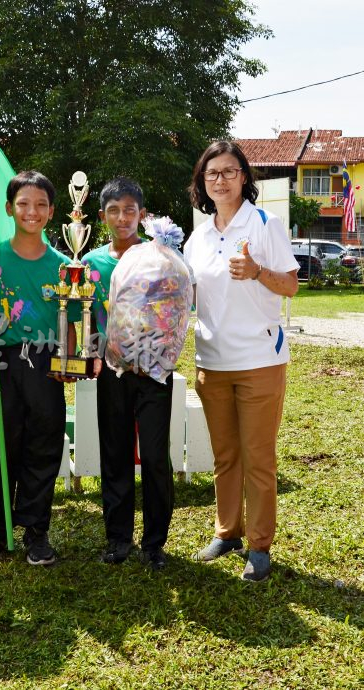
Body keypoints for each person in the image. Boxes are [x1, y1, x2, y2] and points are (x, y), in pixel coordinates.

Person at [184, 140, 299, 582]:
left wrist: (257, 273)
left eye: (229, 171)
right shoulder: (199, 235)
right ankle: (227, 531)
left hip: (259, 359)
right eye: (212, 173)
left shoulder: (265, 224)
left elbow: (290, 285)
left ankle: (259, 544)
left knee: (258, 456)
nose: (220, 180)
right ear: (203, 182)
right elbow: (192, 294)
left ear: (244, 177)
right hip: (211, 361)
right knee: (225, 454)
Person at [0, 171, 78, 566]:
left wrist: (68, 360)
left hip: (45, 363)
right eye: (23, 204)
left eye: (39, 205)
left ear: (51, 212)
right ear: (9, 208)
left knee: (43, 443)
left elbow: (68, 319)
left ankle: (36, 530)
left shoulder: (62, 265)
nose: (31, 211)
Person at [82, 177, 174, 571]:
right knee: (115, 452)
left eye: (130, 210)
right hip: (111, 373)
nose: (123, 218)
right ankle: (118, 537)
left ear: (143, 215)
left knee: (154, 456)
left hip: (154, 370)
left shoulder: (159, 258)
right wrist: (94, 351)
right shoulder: (91, 264)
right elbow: (84, 317)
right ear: (102, 217)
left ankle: (154, 542)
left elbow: (173, 309)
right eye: (114, 211)